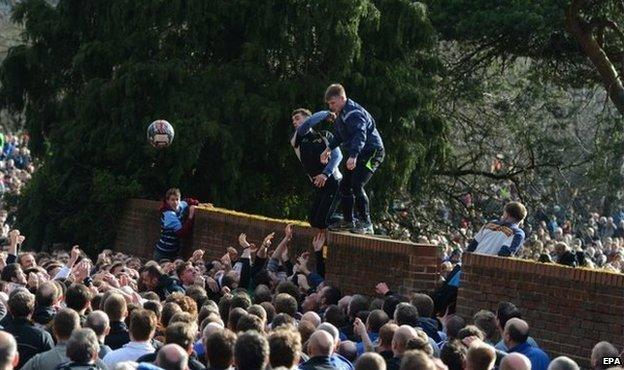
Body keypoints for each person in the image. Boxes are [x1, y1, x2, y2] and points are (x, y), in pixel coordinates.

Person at [321, 84, 385, 234]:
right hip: (357, 153)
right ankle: (348, 221)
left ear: (342, 98)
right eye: (329, 104)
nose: (331, 107)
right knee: (344, 185)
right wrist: (328, 149)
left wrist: (354, 155)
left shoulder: (353, 113)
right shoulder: (341, 115)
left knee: (357, 183)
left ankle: (366, 223)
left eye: (333, 103)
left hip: (372, 152)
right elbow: (339, 135)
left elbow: (360, 135)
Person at [291, 108, 343, 232]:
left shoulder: (325, 135)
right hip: (319, 186)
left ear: (307, 118)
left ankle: (350, 220)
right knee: (313, 221)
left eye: (297, 118)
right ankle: (344, 220)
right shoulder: (296, 140)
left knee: (322, 221)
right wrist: (326, 114)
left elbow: (338, 156)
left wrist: (325, 174)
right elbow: (307, 125)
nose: (294, 122)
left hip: (333, 182)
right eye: (293, 120)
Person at [2, 290, 54, 368]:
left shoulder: (2, 336)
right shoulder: (43, 337)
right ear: (32, 310)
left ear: (10, 310)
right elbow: (51, 363)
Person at [154, 188, 199, 261]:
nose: (175, 202)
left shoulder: (180, 205)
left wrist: (197, 203)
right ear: (167, 201)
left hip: (173, 252)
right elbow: (181, 232)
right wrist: (190, 216)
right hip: (163, 252)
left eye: (177, 199)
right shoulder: (168, 214)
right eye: (172, 200)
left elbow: (187, 201)